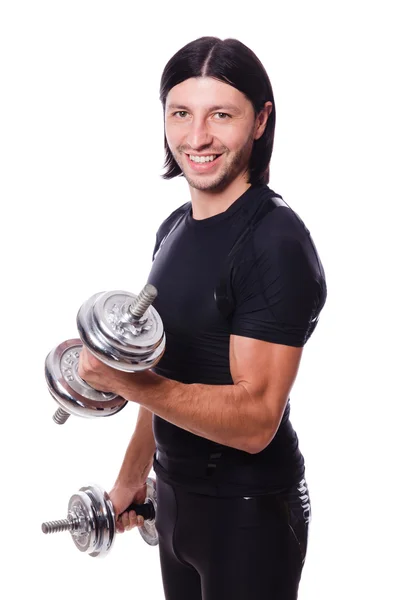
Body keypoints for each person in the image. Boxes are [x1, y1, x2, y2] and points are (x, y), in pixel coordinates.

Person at [79, 36, 327, 600]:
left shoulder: (273, 242)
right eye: (181, 114)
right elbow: (165, 372)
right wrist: (129, 480)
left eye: (222, 115)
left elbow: (256, 419)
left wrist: (123, 380)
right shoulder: (173, 229)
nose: (197, 138)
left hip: (249, 515)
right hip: (174, 502)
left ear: (261, 120)